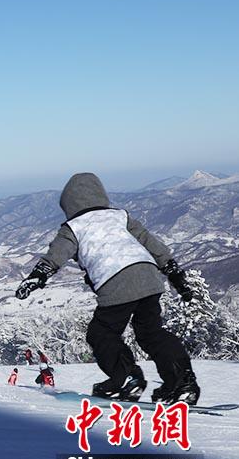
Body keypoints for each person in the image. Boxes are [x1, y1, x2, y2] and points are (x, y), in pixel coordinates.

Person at [15, 172, 201, 404]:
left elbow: (56, 255)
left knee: (101, 333)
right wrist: (174, 272)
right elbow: (150, 242)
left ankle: (126, 378)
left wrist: (37, 276)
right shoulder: (120, 216)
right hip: (149, 276)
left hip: (115, 279)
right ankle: (182, 383)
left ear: (69, 204)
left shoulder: (73, 227)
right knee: (151, 333)